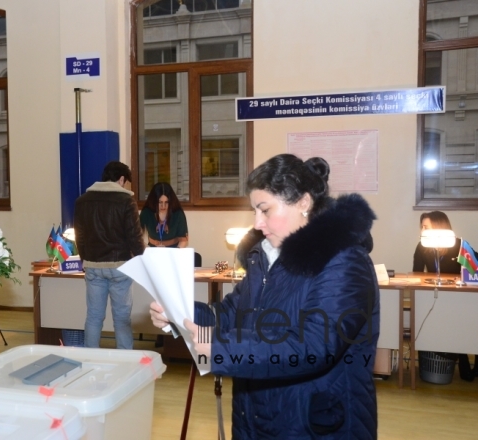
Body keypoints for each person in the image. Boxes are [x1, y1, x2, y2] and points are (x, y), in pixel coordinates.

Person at [150, 154, 380, 438]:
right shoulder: (265, 257)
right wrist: (178, 312)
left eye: (265, 210)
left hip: (315, 422)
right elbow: (231, 314)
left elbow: (314, 347)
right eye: (254, 211)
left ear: (303, 203)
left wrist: (220, 347)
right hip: (256, 414)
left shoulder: (343, 260)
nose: (257, 223)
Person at [74, 161, 145, 350]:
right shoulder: (126, 201)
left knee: (94, 317)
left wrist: (85, 260)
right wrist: (141, 261)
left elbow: (79, 236)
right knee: (121, 318)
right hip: (120, 266)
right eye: (126, 182)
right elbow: (134, 236)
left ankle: (90, 358)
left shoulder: (83, 201)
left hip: (93, 267)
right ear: (121, 179)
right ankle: (125, 361)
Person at [412, 211, 478, 381]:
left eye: (426, 227)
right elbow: (416, 274)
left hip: (462, 299)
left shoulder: (459, 245)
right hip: (435, 298)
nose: (422, 230)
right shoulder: (422, 246)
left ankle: (465, 358)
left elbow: (475, 268)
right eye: (422, 227)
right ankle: (457, 356)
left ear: (439, 228)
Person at [140, 182, 189, 248]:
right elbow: (136, 236)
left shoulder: (178, 214)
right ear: (154, 201)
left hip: (173, 251)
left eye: (166, 202)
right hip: (152, 251)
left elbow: (183, 240)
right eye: (160, 202)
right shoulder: (147, 212)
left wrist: (174, 254)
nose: (163, 206)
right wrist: (148, 250)